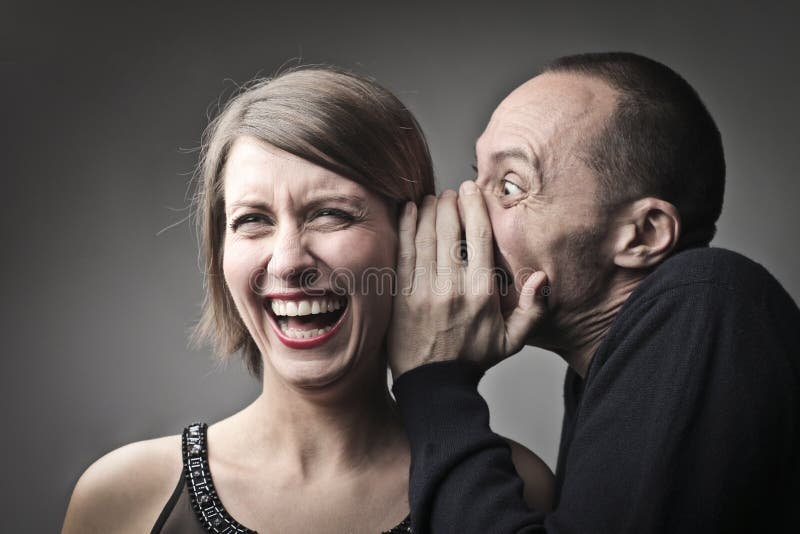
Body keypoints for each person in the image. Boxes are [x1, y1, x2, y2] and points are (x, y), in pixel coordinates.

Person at [61, 67, 554, 534]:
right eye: (252, 220)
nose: (287, 263)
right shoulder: (124, 498)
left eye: (331, 215)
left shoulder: (513, 489)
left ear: (415, 240)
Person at [387, 51, 800, 533]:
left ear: (643, 234)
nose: (464, 208)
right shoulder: (608, 363)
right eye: (476, 175)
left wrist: (436, 382)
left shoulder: (707, 299)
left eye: (510, 185)